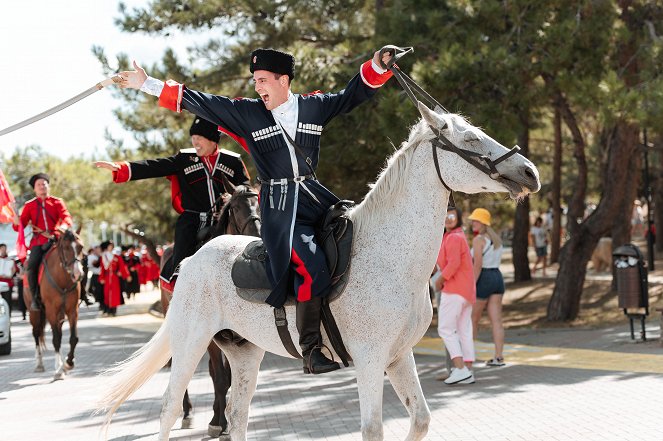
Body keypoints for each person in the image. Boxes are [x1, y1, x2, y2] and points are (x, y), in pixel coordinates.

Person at [116, 46, 394, 374]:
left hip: (315, 197)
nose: (257, 86)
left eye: (262, 80)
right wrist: (147, 84)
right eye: (254, 81)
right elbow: (200, 100)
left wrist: (379, 65)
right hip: (279, 208)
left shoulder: (314, 106)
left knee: (356, 241)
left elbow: (353, 93)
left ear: (283, 80)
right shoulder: (248, 113)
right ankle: (311, 349)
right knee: (313, 264)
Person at [95, 116, 251, 291]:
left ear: (212, 140)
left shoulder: (232, 161)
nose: (195, 141)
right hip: (193, 219)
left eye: (199, 137)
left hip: (225, 218)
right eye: (193, 137)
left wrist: (231, 198)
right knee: (182, 250)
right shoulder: (184, 158)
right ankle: (178, 285)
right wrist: (121, 168)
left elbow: (245, 189)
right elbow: (154, 166)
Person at [12, 173, 73, 311]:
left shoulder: (57, 202)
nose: (42, 187)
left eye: (44, 184)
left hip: (57, 241)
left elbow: (66, 217)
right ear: (34, 189)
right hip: (38, 242)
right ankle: (35, 298)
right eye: (39, 185)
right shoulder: (29, 205)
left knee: (78, 258)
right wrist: (16, 221)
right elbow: (19, 226)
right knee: (31, 267)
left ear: (48, 186)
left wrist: (64, 226)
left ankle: (82, 294)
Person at [434, 207, 476, 385]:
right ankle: (467, 370)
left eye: (452, 216)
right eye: (445, 216)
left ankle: (459, 369)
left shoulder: (453, 237)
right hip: (466, 292)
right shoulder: (458, 236)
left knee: (445, 329)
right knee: (463, 331)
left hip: (454, 290)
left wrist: (439, 281)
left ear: (458, 218)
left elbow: (453, 264)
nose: (448, 219)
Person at [468, 208, 506, 367]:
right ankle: (499, 357)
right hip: (497, 277)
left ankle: (467, 358)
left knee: (473, 320)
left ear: (483, 223)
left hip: (484, 277)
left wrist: (471, 285)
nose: (473, 223)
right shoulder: (496, 239)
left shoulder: (479, 240)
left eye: (476, 221)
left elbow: (477, 265)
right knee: (496, 321)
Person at [99, 241, 131, 317]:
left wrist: (125, 274)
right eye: (109, 246)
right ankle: (108, 309)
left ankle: (114, 310)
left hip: (115, 277)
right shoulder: (104, 257)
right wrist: (101, 278)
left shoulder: (117, 257)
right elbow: (102, 268)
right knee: (107, 293)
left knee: (115, 294)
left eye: (111, 246)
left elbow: (122, 267)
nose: (110, 247)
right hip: (107, 278)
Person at [0, 244, 16, 313]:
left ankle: (8, 316)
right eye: (2, 249)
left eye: (4, 249)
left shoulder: (10, 260)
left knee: (7, 301)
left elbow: (14, 269)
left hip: (8, 283)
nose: (3, 251)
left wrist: (10, 275)